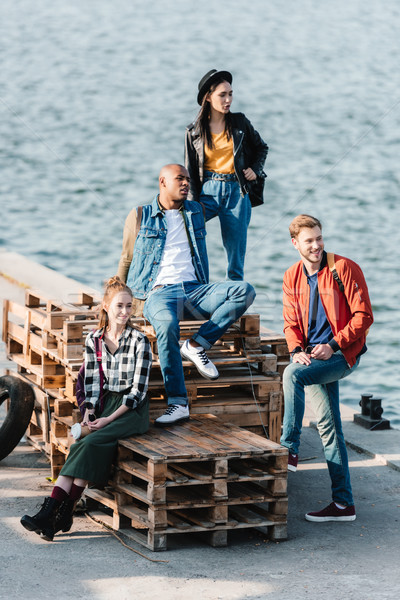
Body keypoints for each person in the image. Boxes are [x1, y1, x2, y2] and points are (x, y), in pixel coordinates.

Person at [117, 163, 256, 426]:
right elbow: (126, 260)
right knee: (167, 324)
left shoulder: (196, 211)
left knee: (244, 290)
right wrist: (118, 305)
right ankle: (178, 403)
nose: (186, 184)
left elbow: (229, 203)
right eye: (179, 179)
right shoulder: (139, 215)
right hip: (158, 294)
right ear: (162, 182)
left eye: (188, 180)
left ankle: (195, 344)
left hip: (196, 290)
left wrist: (250, 172)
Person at [20, 276, 152, 541]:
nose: (125, 311)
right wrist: (90, 413)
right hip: (104, 406)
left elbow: (138, 392)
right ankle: (60, 515)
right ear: (106, 306)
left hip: (130, 411)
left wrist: (106, 420)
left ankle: (51, 511)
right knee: (82, 442)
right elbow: (90, 382)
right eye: (119, 306)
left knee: (89, 444)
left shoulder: (140, 341)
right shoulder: (94, 340)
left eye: (129, 306)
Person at [281, 214, 373, 522]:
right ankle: (344, 504)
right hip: (312, 356)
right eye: (309, 241)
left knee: (291, 376)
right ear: (296, 244)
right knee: (329, 428)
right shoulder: (292, 276)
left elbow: (363, 317)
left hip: (341, 353)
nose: (317, 245)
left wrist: (332, 346)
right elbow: (291, 323)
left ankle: (288, 448)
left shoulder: (343, 268)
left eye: (319, 238)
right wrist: (296, 350)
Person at [185, 68, 268, 281]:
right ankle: (199, 286)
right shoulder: (194, 131)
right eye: (222, 95)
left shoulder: (240, 122)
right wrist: (193, 204)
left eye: (230, 94)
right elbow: (191, 172)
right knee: (189, 233)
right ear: (208, 97)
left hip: (236, 192)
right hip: (207, 191)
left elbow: (261, 148)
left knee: (235, 255)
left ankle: (234, 299)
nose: (228, 99)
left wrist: (255, 170)